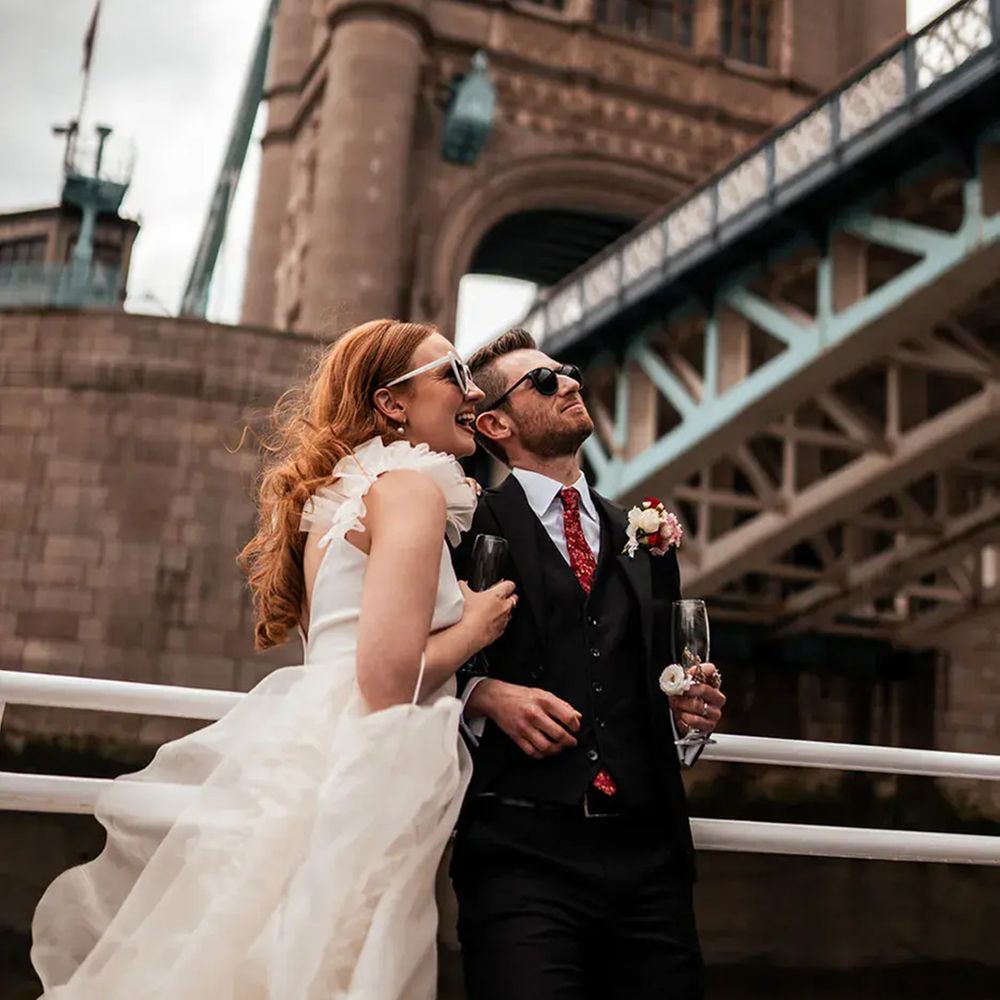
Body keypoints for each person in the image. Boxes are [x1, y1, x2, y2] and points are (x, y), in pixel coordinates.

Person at [30, 319, 517, 999]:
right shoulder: (409, 490)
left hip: (312, 749)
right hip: (368, 764)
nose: (473, 391)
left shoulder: (342, 497)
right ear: (393, 404)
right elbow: (383, 680)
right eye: (452, 375)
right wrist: (478, 623)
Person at [450, 327, 726, 1000]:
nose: (571, 382)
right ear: (494, 423)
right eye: (543, 381)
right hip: (520, 859)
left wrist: (690, 707)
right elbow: (405, 661)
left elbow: (665, 679)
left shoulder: (645, 537)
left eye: (568, 371)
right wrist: (483, 691)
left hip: (649, 859)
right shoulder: (465, 528)